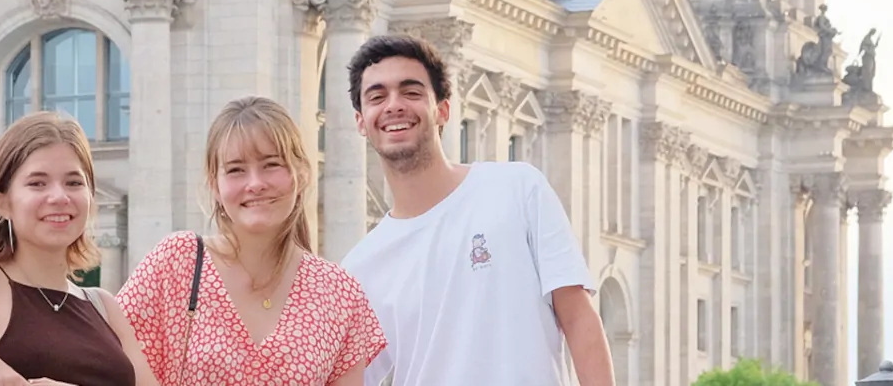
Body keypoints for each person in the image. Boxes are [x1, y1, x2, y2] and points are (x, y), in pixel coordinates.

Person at [338, 35, 615, 386]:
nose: (394, 106)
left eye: (411, 92)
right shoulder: (360, 267)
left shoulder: (518, 189)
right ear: (361, 121)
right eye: (377, 96)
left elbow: (578, 318)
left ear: (443, 110)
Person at [119, 96, 386, 386]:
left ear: (302, 174)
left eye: (271, 165)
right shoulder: (175, 262)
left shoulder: (340, 293)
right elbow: (102, 362)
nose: (255, 183)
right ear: (215, 185)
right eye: (236, 169)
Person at [0, 112, 158, 386]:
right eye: (37, 183)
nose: (59, 197)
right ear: (3, 203)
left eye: (74, 182)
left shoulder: (103, 305)